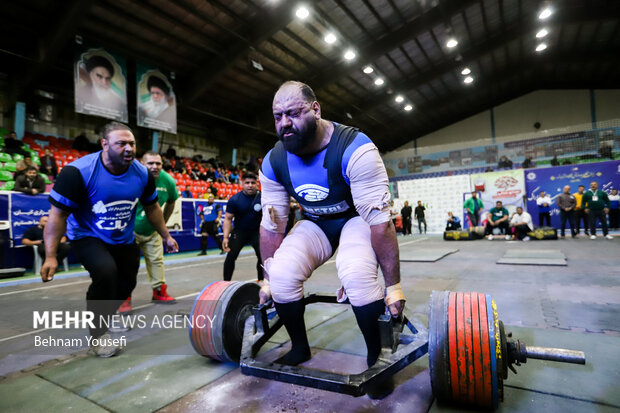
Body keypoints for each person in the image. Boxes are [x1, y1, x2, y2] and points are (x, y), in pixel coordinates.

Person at [257, 81, 405, 385]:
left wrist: (394, 287)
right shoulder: (273, 161)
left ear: (316, 109)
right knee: (281, 274)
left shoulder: (357, 149)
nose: (284, 123)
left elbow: (380, 223)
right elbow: (272, 225)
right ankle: (299, 347)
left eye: (293, 113)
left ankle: (376, 359)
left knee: (356, 276)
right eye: (277, 116)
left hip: (356, 219)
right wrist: (267, 279)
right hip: (315, 222)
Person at [41, 122, 178, 358]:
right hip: (87, 235)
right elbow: (57, 215)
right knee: (105, 274)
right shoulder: (77, 173)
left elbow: (153, 207)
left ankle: (103, 314)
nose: (128, 149)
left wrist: (165, 235)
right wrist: (51, 255)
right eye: (121, 143)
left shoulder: (142, 173)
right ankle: (98, 336)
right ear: (104, 144)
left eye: (132, 143)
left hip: (123, 238)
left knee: (127, 283)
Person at [127, 151, 178, 311]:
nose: (155, 167)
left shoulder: (168, 181)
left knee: (157, 262)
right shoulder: (131, 178)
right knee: (127, 264)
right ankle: (124, 298)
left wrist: (162, 225)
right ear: (142, 164)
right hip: (129, 231)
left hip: (152, 231)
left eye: (158, 163)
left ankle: (159, 292)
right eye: (150, 163)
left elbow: (171, 202)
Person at [222, 172, 263, 282]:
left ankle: (262, 281)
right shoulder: (234, 200)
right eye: (247, 183)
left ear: (257, 184)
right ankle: (226, 283)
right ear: (242, 184)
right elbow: (228, 219)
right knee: (231, 256)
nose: (250, 185)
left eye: (253, 183)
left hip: (257, 232)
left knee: (263, 257)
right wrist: (225, 237)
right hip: (239, 232)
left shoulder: (263, 197)